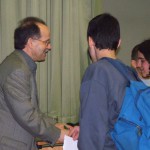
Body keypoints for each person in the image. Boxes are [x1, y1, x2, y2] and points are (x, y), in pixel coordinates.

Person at [0, 17, 69, 150]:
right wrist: (59, 134)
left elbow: (31, 110)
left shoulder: (20, 63)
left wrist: (54, 124)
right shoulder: (17, 70)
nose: (49, 47)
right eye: (46, 42)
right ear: (31, 42)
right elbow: (28, 116)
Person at [76, 13, 137, 150]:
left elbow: (92, 134)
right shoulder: (129, 72)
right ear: (119, 42)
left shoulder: (97, 71)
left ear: (91, 41)